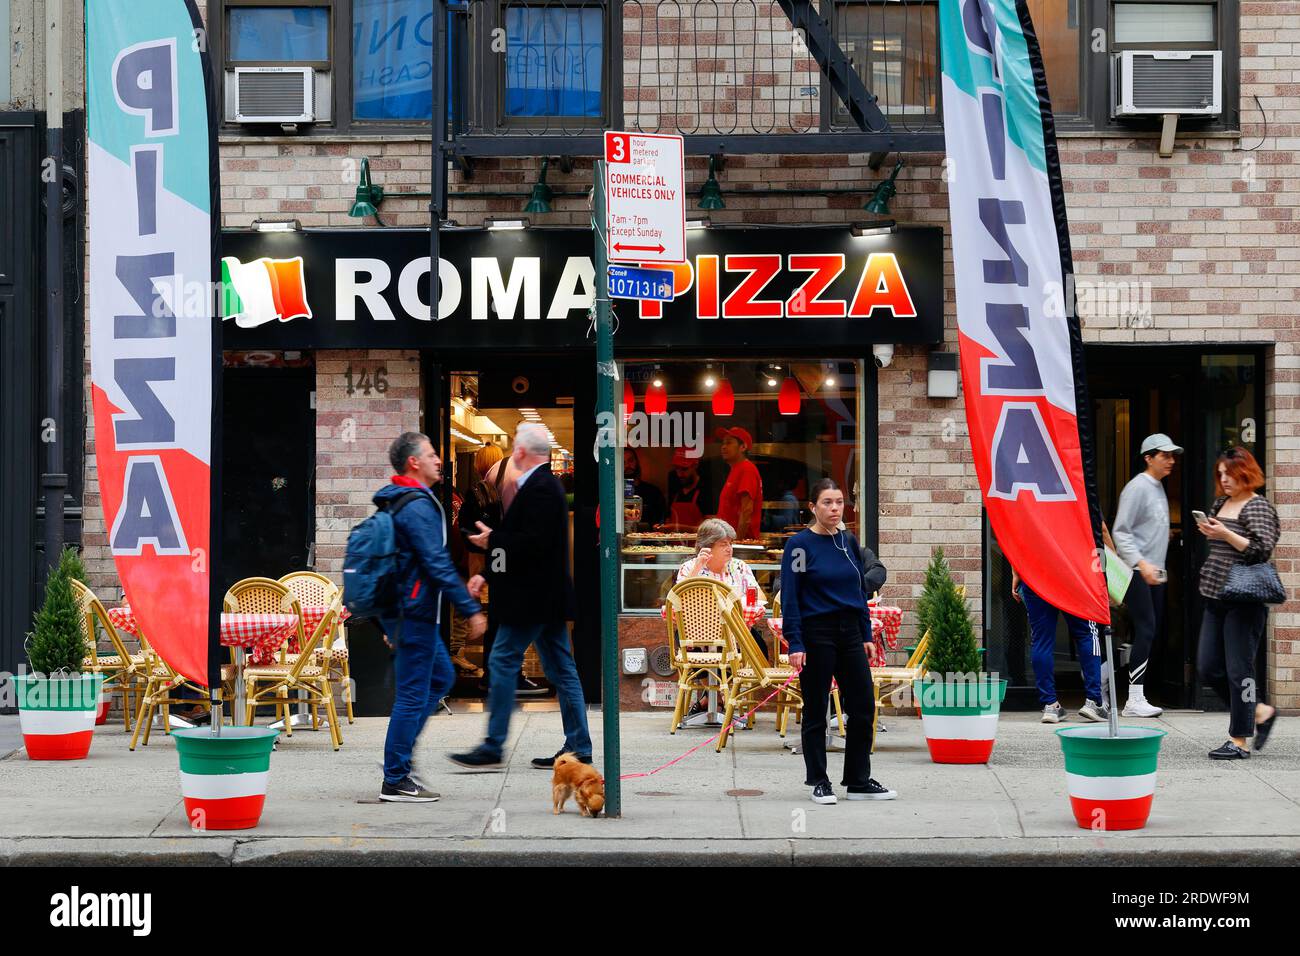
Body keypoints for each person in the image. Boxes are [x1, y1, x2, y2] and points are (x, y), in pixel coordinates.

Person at [450, 423, 593, 771]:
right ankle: (578, 746)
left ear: (523, 452)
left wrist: (492, 542)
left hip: (533, 600)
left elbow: (532, 543)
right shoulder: (536, 486)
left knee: (501, 662)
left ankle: (493, 745)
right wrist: (486, 571)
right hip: (543, 599)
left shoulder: (541, 488)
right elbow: (521, 541)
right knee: (562, 670)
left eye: (516, 447)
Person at [375, 432, 487, 802]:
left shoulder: (406, 500)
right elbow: (435, 564)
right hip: (416, 615)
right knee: (412, 695)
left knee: (441, 677)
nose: (439, 460)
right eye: (432, 455)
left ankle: (400, 756)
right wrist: (471, 609)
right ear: (414, 463)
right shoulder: (416, 505)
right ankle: (396, 776)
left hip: (414, 614)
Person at [779, 478, 896, 805]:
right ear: (813, 507)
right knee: (816, 709)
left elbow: (858, 591)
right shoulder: (799, 546)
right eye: (827, 502)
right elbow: (791, 596)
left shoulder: (848, 542)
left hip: (849, 634)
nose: (834, 508)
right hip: (816, 634)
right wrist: (795, 643)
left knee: (862, 706)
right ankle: (818, 780)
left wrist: (865, 634)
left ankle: (858, 780)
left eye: (839, 502)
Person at [1195, 447, 1281, 760]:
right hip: (1216, 595)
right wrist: (1212, 532)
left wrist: (1226, 535)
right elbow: (1226, 545)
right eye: (1219, 473)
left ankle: (1239, 739)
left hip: (1244, 599)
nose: (1223, 479)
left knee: (1238, 670)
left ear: (1244, 472)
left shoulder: (1257, 506)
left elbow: (1261, 550)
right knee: (1208, 667)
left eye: (1229, 473)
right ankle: (1260, 711)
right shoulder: (1221, 503)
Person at [1111, 433, 1182, 717]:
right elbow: (1121, 531)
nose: (1171, 461)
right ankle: (1134, 699)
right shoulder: (1137, 488)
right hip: (1139, 572)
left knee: (1148, 632)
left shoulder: (1157, 487)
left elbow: (1143, 527)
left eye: (1172, 456)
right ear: (1148, 458)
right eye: (1165, 455)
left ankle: (1131, 689)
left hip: (1155, 573)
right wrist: (1142, 562)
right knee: (1147, 629)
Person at [1011, 567, 1108, 724]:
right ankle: (1094, 701)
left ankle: (1050, 705)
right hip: (1074, 573)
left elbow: (1015, 542)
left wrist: (1016, 572)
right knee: (1087, 634)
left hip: (1035, 574)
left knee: (1041, 641)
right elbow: (1097, 545)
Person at [677, 516, 770, 660]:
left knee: (760, 648)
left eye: (730, 543)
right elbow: (677, 600)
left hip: (737, 631)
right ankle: (707, 679)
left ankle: (742, 679)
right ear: (707, 547)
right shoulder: (690, 567)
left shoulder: (739, 567)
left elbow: (761, 597)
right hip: (696, 634)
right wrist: (697, 568)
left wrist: (740, 600)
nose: (729, 549)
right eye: (723, 544)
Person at [715, 426, 763, 540]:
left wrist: (737, 543)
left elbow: (747, 510)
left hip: (741, 544)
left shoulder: (746, 469)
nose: (723, 447)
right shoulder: (736, 469)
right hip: (728, 541)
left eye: (729, 443)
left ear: (743, 447)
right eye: (723, 443)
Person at [666, 448, 713, 529]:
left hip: (698, 541)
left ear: (695, 466)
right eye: (677, 468)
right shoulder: (675, 488)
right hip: (674, 541)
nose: (680, 474)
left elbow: (711, 528)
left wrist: (679, 528)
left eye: (684, 469)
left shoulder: (707, 491)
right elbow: (668, 518)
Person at [625, 447, 668, 528]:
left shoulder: (653, 492)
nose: (627, 465)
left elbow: (662, 522)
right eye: (623, 462)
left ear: (637, 462)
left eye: (630, 460)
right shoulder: (614, 494)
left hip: (648, 538)